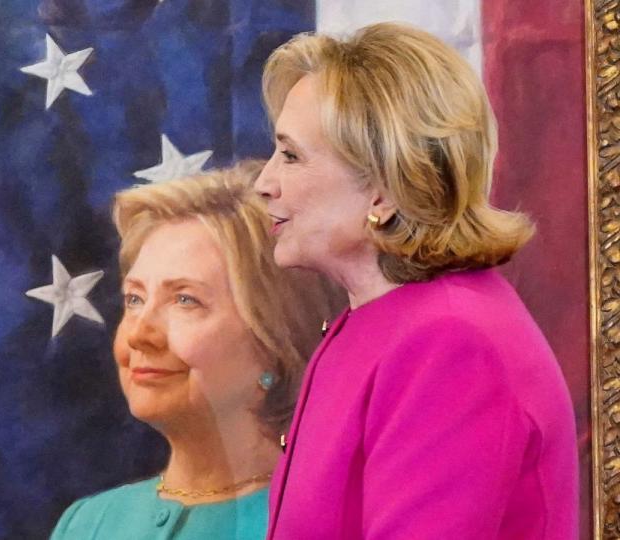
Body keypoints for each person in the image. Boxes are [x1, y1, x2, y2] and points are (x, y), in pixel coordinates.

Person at [254, 22, 578, 539]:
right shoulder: (384, 322)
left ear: (383, 190)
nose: (263, 183)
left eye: (291, 156)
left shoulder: (450, 343)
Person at [50, 162, 343, 539]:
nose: (140, 333)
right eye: (135, 299)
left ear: (274, 337)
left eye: (185, 300)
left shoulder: (328, 520)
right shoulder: (88, 523)